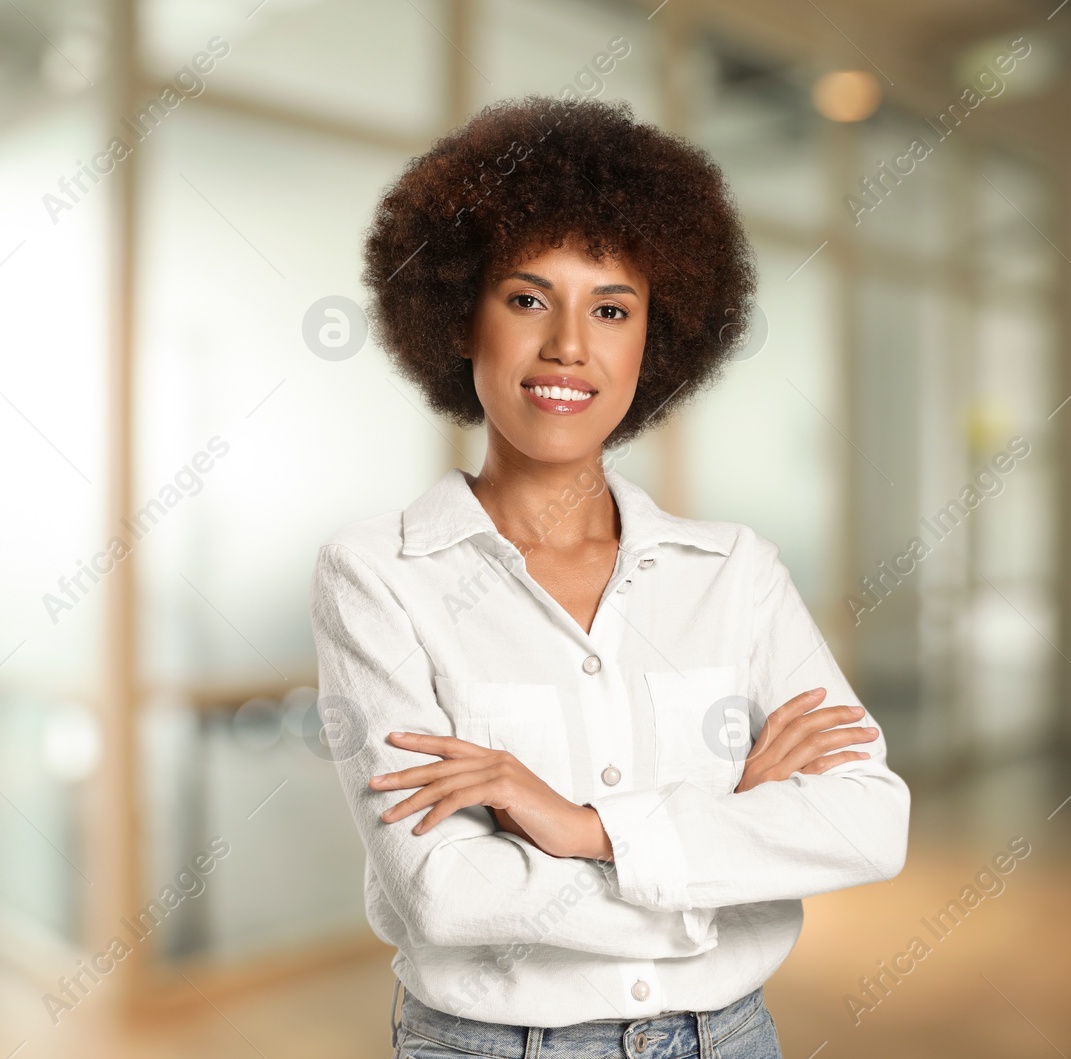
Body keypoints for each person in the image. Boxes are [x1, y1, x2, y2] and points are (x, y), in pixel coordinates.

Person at [310, 94, 910, 1059]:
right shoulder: (381, 575)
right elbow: (449, 894)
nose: (568, 347)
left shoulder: (735, 573)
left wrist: (585, 827)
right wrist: (721, 850)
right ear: (461, 317)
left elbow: (872, 822)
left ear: (655, 341)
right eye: (526, 297)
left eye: (612, 308)